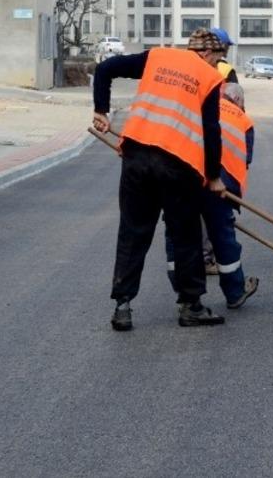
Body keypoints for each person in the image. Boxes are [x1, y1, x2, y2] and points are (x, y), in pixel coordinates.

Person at [93, 28, 227, 330]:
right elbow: (211, 130)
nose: (217, 66)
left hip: (136, 157)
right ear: (207, 54)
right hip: (178, 165)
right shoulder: (208, 77)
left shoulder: (157, 56)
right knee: (186, 234)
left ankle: (123, 307)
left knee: (133, 232)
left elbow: (104, 69)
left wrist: (101, 110)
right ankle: (190, 306)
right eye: (217, 59)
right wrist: (215, 176)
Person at [166, 83, 260, 309]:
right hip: (220, 187)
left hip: (187, 178)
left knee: (178, 233)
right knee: (223, 238)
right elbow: (245, 160)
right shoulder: (244, 120)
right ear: (239, 102)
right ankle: (235, 293)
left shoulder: (199, 106)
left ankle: (184, 292)